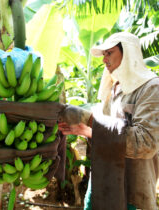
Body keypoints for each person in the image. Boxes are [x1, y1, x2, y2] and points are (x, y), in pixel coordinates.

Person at [58, 32, 159, 210]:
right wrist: (85, 130)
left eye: (109, 53)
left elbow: (145, 143)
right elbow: (105, 130)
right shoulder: (116, 87)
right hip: (103, 178)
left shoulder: (151, 89)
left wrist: (89, 120)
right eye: (103, 55)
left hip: (132, 188)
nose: (104, 60)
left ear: (128, 53)